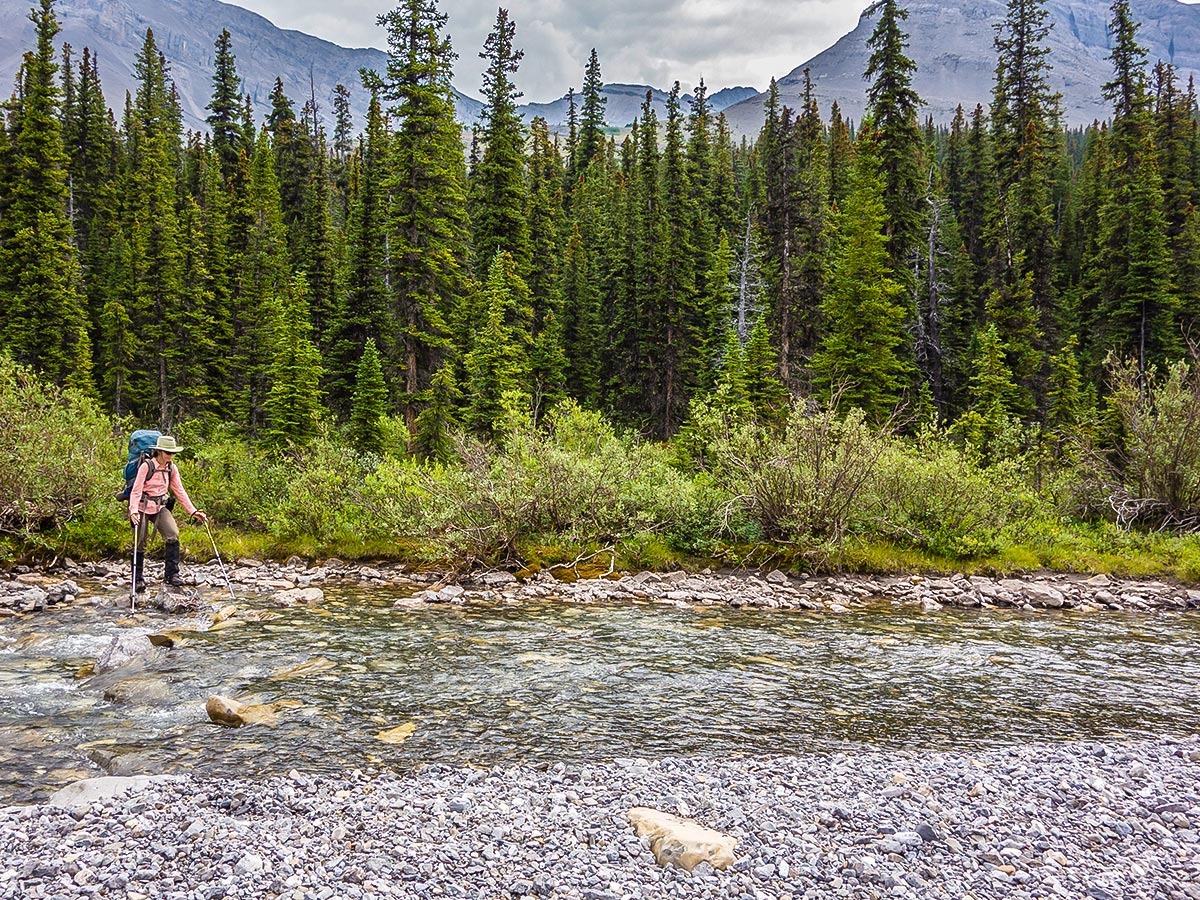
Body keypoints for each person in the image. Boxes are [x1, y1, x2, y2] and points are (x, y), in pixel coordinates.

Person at [128, 435, 208, 591]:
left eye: (172, 453)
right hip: (142, 507)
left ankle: (171, 575)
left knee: (173, 534)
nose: (171, 456)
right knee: (140, 540)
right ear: (159, 451)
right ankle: (137, 579)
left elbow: (179, 491)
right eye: (167, 452)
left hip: (160, 507)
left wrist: (193, 511)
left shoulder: (172, 468)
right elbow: (136, 491)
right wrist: (133, 511)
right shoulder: (146, 466)